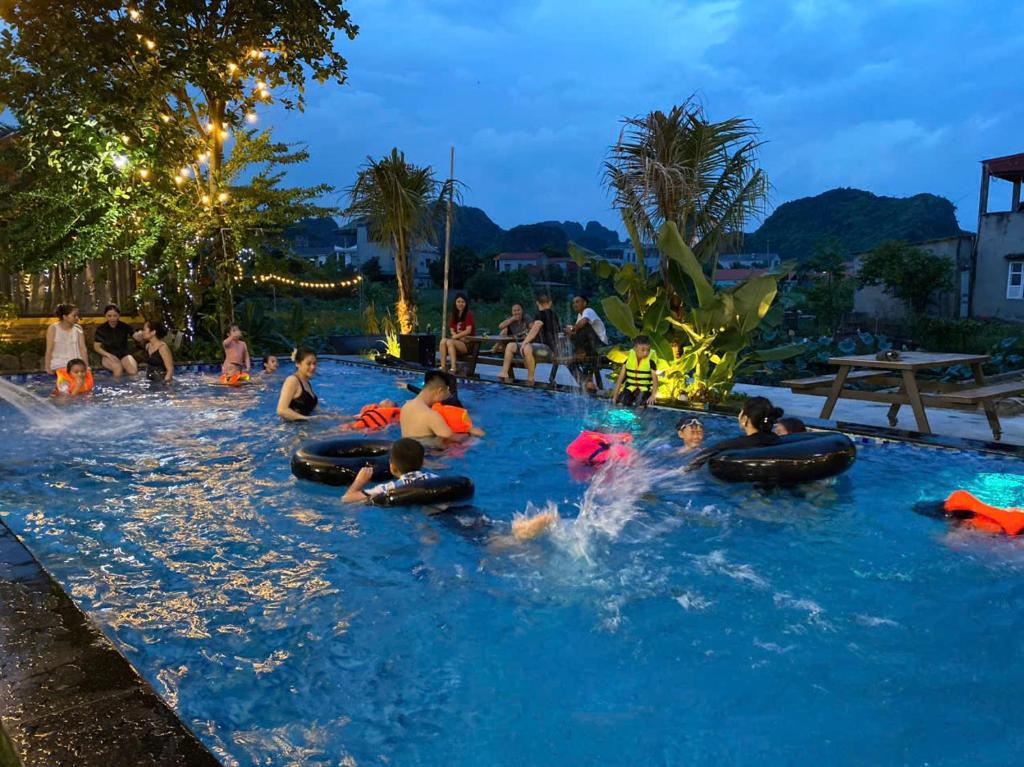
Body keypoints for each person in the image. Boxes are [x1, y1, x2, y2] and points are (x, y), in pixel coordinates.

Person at [680, 396, 784, 470]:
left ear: (744, 419)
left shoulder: (738, 443)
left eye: (741, 412)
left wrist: (684, 470)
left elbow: (705, 455)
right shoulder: (775, 439)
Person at [342, 438, 439, 503]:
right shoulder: (436, 479)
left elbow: (346, 499)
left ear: (392, 467)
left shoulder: (388, 489)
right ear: (423, 462)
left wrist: (359, 482)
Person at [498, 294, 560, 386]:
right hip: (542, 349)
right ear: (550, 303)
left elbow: (536, 327)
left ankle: (530, 378)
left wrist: (525, 342)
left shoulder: (541, 314)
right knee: (510, 346)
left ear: (537, 303)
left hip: (547, 351)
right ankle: (504, 372)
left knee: (526, 348)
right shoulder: (553, 315)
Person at [400, 369, 469, 441]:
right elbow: (456, 438)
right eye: (445, 394)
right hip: (425, 451)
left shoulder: (406, 406)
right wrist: (469, 432)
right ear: (439, 391)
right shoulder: (432, 416)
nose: (444, 399)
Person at [564, 295, 607, 391]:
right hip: (589, 347)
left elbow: (582, 324)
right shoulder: (580, 316)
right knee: (569, 363)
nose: (574, 304)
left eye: (577, 302)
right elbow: (576, 332)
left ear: (585, 303)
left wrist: (572, 329)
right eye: (573, 303)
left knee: (584, 326)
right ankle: (585, 383)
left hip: (599, 346)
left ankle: (580, 352)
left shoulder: (588, 311)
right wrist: (569, 332)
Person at [612, 335, 659, 408]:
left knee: (641, 406)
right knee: (620, 404)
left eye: (648, 350)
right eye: (643, 350)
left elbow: (655, 381)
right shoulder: (628, 360)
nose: (646, 353)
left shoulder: (651, 362)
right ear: (635, 349)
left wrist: (653, 396)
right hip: (630, 387)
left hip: (644, 389)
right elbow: (620, 379)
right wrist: (615, 397)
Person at [93, 304, 138, 378]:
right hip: (108, 355)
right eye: (109, 316)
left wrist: (140, 335)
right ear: (105, 316)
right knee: (118, 369)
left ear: (119, 315)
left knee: (132, 371)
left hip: (124, 355)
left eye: (115, 315)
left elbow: (136, 336)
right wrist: (109, 355)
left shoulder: (124, 326)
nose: (112, 318)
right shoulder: (101, 329)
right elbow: (97, 347)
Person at [45, 304, 89, 375]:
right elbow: (49, 349)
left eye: (77, 315)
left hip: (76, 364)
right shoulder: (53, 328)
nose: (77, 318)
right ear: (65, 317)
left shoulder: (78, 328)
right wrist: (47, 367)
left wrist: (86, 366)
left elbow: (83, 349)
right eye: (74, 316)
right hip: (59, 364)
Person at [276, 347, 319, 421]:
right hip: (293, 429)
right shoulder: (292, 381)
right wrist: (308, 419)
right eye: (308, 364)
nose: (313, 367)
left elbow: (314, 409)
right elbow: (281, 410)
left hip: (305, 427)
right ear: (298, 364)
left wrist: (336, 417)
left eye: (314, 363)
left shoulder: (306, 383)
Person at [439, 293, 474, 374]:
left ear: (466, 303)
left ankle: (453, 368)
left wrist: (455, 337)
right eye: (458, 301)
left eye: (463, 302)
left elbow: (468, 331)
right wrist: (456, 337)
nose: (460, 304)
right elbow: (452, 330)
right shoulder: (453, 315)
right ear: (455, 303)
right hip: (457, 341)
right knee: (443, 341)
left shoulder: (468, 314)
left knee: (450, 341)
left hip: (467, 343)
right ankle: (443, 366)